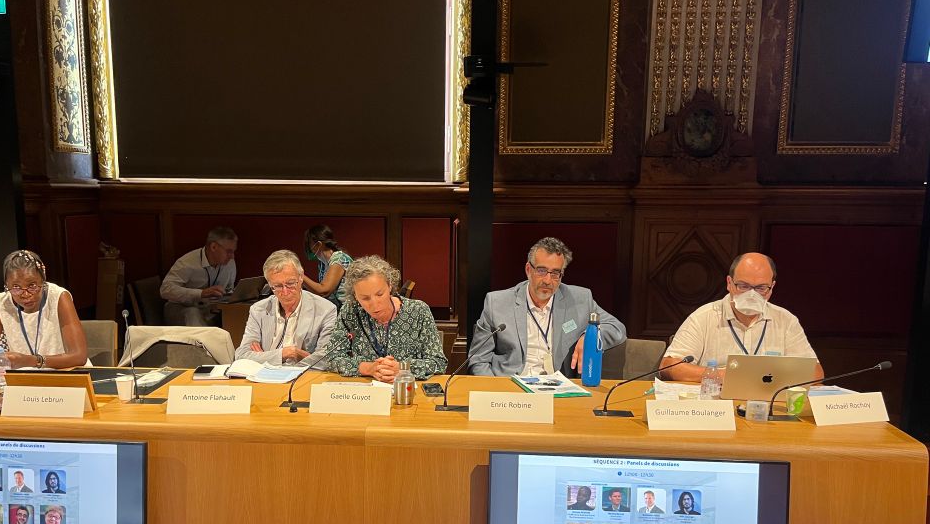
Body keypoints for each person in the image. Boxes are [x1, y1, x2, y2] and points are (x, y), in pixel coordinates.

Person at [467, 237, 626, 377]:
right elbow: (478, 359)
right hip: (511, 387)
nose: (548, 280)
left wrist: (590, 337)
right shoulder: (497, 303)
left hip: (557, 389)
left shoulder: (581, 300)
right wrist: (493, 391)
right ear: (528, 270)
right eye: (542, 271)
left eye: (555, 273)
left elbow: (617, 328)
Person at [659, 252, 822, 383]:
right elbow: (669, 366)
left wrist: (771, 379)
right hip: (716, 403)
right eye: (743, 286)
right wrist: (723, 375)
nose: (751, 295)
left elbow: (815, 372)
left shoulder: (786, 321)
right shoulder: (703, 317)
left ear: (771, 288)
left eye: (760, 288)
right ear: (729, 283)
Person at [0, 250, 88, 370]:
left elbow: (79, 356)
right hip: (25, 378)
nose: (25, 294)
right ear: (6, 285)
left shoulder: (59, 297)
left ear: (43, 280)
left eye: (32, 286)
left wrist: (31, 361)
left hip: (66, 372)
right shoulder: (1, 303)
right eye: (16, 287)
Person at [325, 256, 446, 381]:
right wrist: (368, 368)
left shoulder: (418, 311)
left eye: (379, 294)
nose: (375, 304)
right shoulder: (350, 312)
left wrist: (402, 368)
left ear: (390, 286)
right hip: (366, 393)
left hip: (407, 391)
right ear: (355, 295)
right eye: (365, 298)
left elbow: (438, 363)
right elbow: (331, 358)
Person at [235, 250, 336, 366]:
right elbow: (241, 355)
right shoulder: (258, 310)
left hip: (303, 378)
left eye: (291, 283)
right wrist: (285, 354)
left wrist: (263, 357)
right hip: (265, 377)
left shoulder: (326, 310)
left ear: (301, 277)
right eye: (277, 286)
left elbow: (327, 359)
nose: (285, 291)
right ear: (269, 284)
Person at [160, 227, 238, 326]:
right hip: (180, 309)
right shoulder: (187, 263)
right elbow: (165, 290)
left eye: (233, 251)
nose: (232, 256)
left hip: (210, 310)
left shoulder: (230, 263)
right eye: (229, 251)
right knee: (193, 313)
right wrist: (201, 293)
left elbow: (229, 289)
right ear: (214, 247)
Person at [302, 225, 353, 309]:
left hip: (348, 312)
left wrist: (298, 275)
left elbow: (324, 291)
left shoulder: (339, 259)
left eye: (309, 245)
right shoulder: (323, 264)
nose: (309, 249)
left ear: (319, 244)